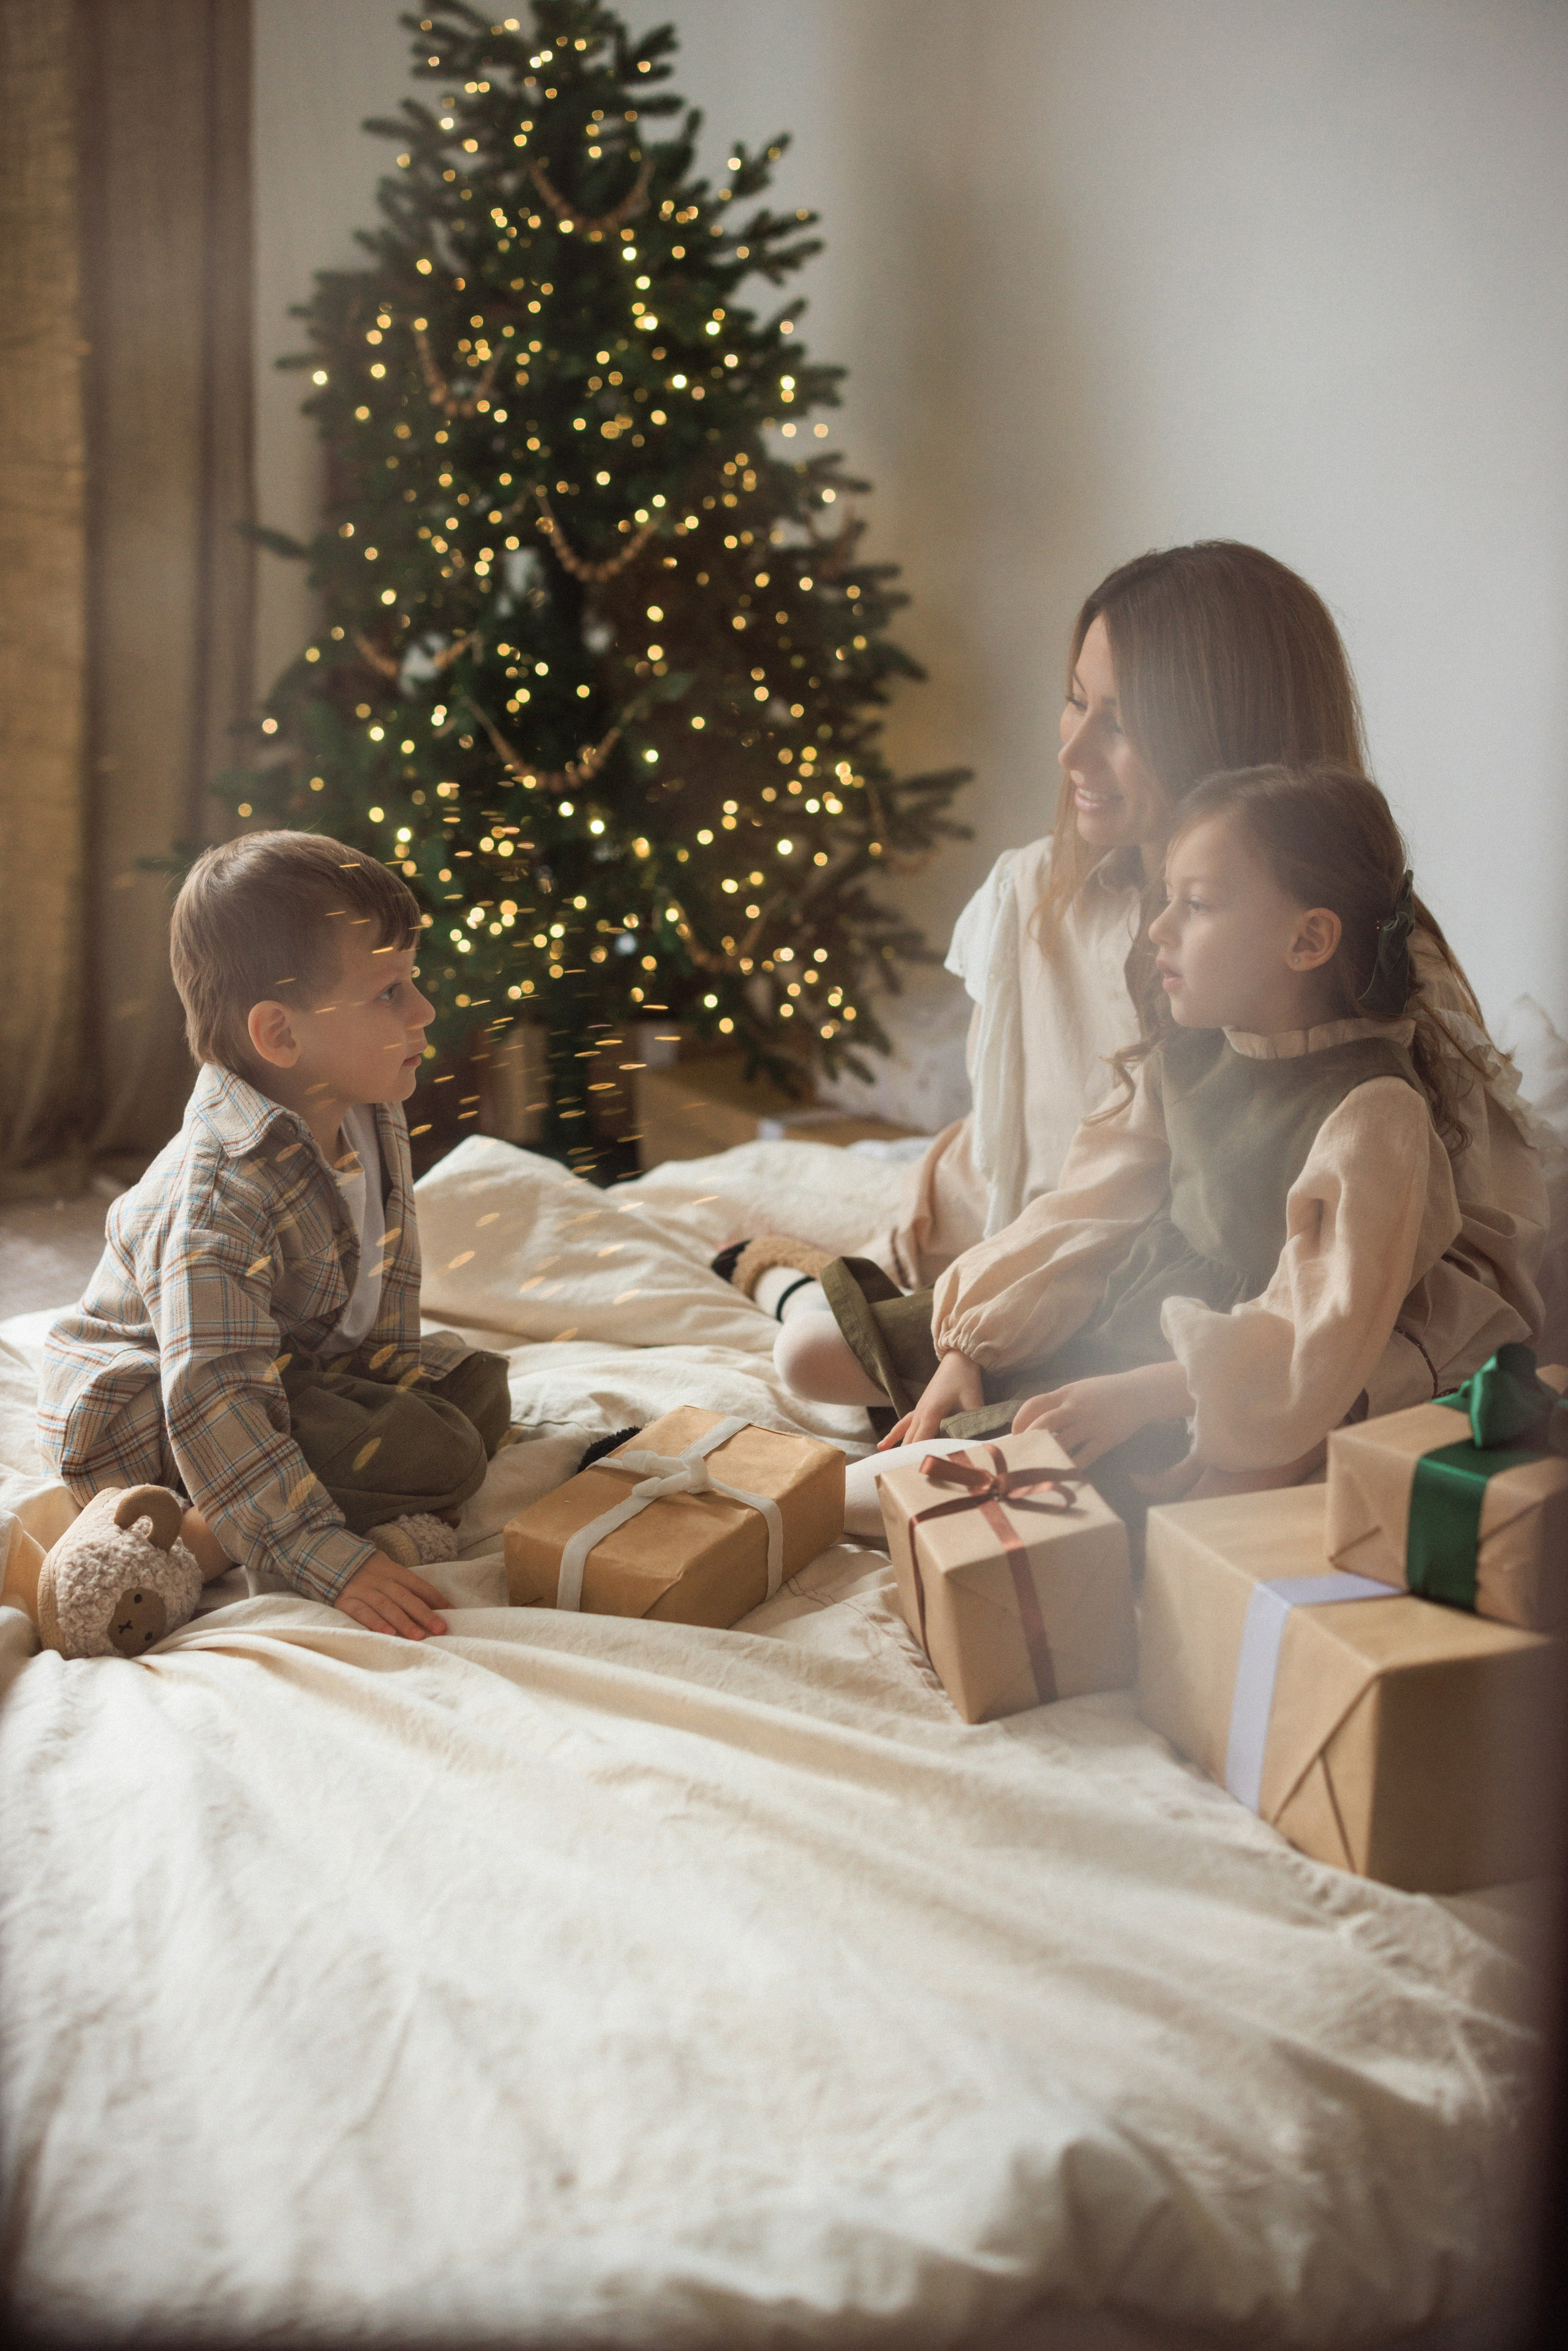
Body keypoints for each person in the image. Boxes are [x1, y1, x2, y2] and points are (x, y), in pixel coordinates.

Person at [780, 766, 1545, 1520]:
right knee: (803, 1354)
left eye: (1197, 904)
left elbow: (1316, 1326)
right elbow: (1086, 1213)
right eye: (1167, 898)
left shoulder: (1373, 1110)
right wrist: (967, 1348)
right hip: (1126, 1301)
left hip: (1221, 1366)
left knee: (890, 1490)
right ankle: (789, 1294)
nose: (1158, 928)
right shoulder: (1189, 1053)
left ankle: (914, 1479)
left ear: (1308, 939)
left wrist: (1139, 1392)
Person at [718, 540, 1379, 1319]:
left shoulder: (1351, 937)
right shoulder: (1036, 894)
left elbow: (1445, 1234)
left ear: (1224, 738)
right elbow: (1009, 1157)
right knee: (819, 1333)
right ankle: (789, 1279)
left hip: (1183, 1322)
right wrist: (960, 1298)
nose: (1070, 750)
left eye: (1124, 723)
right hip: (1029, 1275)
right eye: (1076, 700)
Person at [37, 834, 513, 1643]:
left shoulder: (371, 1112)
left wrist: (395, 1392)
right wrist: (322, 1553)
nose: (426, 1010)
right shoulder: (222, 1197)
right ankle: (200, 1532)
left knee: (481, 1387)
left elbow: (387, 1291)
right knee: (440, 1456)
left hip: (290, 1364)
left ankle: (301, 1489)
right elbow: (214, 1390)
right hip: (154, 1407)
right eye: (390, 991)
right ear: (281, 1036)